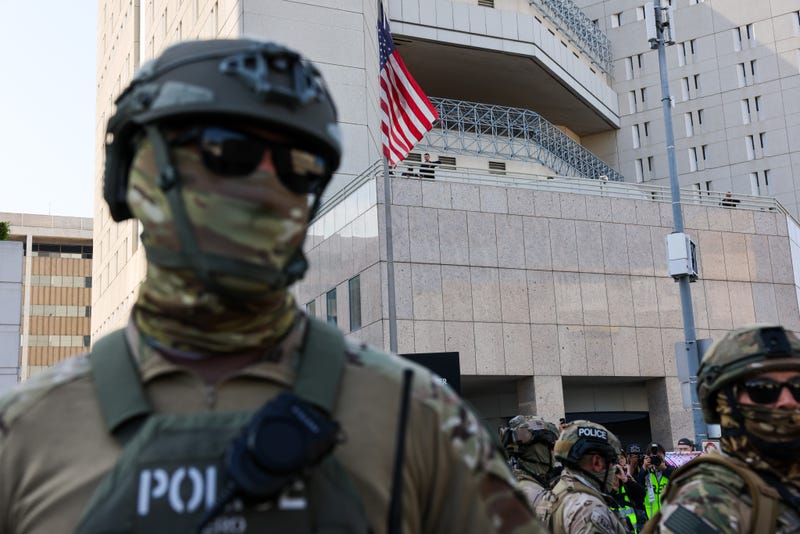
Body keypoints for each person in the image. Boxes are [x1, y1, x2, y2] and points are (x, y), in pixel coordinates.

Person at [0, 39, 545, 534]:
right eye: (225, 151)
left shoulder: (417, 418)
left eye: (297, 165)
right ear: (133, 175)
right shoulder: (26, 433)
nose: (268, 187)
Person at [645, 324, 800, 533]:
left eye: (797, 387)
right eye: (763, 389)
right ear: (723, 403)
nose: (788, 402)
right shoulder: (707, 502)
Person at [537, 420, 629, 533]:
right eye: (613, 462)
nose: (614, 470)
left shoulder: (555, 494)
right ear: (597, 462)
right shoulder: (590, 511)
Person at [499, 415, 559, 509]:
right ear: (540, 450)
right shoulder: (531, 492)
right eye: (551, 446)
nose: (554, 452)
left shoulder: (514, 478)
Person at [635, 442, 674, 520]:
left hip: (670, 519)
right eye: (653, 457)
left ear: (664, 456)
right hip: (651, 519)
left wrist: (665, 470)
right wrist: (644, 468)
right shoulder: (645, 473)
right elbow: (638, 491)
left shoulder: (672, 470)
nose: (656, 459)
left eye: (659, 457)